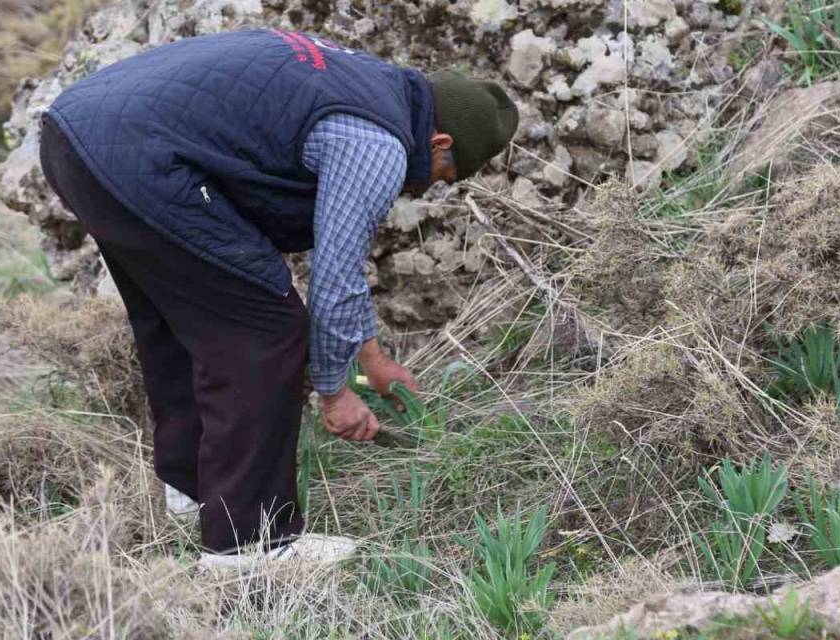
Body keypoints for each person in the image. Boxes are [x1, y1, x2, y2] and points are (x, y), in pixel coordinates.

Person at [38, 28, 518, 568]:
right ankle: (249, 544)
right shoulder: (378, 144)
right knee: (266, 327)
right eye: (444, 176)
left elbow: (343, 251)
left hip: (76, 134)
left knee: (178, 318)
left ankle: (192, 487)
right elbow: (334, 281)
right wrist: (335, 394)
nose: (427, 189)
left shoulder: (370, 83)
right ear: (440, 143)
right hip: (139, 155)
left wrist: (369, 355)